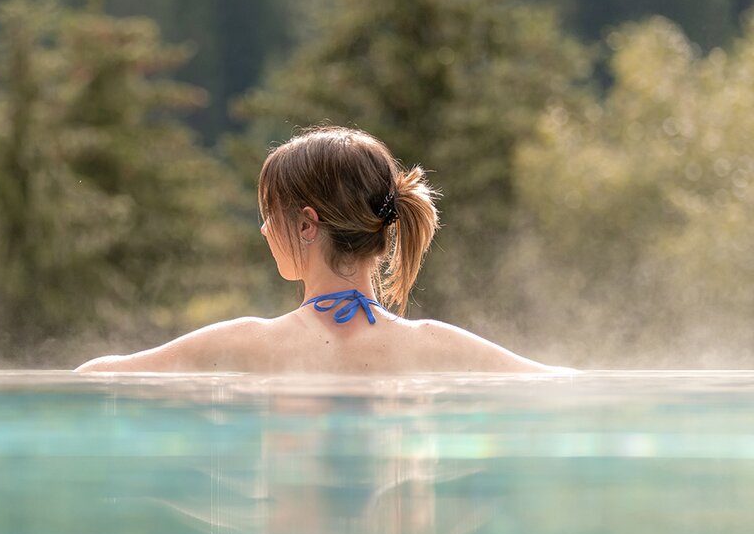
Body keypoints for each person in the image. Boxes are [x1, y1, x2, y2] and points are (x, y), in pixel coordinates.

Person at [75, 126, 570, 374]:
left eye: (271, 214)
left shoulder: (246, 345)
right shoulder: (437, 347)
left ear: (307, 224)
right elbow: (566, 384)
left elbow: (96, 376)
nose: (265, 230)